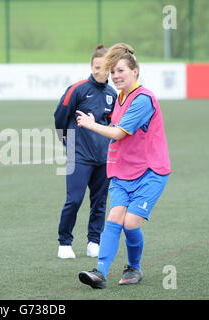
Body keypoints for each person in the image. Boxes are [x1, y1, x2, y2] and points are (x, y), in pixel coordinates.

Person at [76, 43, 171, 288]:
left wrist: (90, 124)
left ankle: (134, 267)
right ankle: (100, 272)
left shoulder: (144, 99)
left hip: (150, 172)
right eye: (113, 72)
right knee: (115, 216)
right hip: (122, 172)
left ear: (135, 71)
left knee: (130, 223)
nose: (116, 76)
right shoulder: (120, 97)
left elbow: (118, 133)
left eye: (121, 71)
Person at [54, 44, 117, 259]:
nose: (101, 71)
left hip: (103, 158)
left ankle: (93, 242)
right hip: (79, 156)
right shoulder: (77, 89)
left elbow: (112, 126)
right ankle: (64, 242)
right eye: (97, 66)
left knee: (99, 202)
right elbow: (60, 115)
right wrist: (66, 141)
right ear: (91, 66)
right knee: (74, 199)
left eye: (105, 67)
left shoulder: (112, 94)